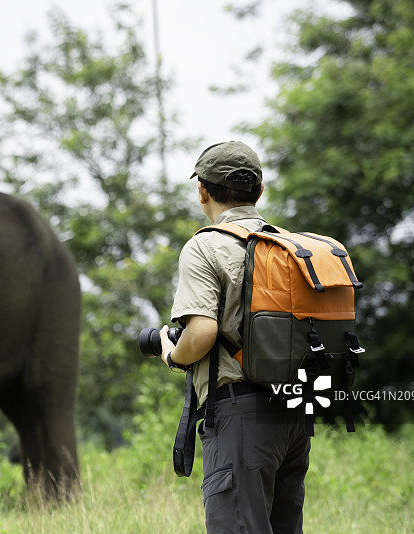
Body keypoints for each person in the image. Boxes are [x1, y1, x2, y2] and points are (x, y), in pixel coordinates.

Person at [159, 141, 310, 533]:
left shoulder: (206, 245)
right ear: (259, 192)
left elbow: (203, 332)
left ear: (202, 191)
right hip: (294, 414)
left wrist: (174, 355)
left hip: (240, 415)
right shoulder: (290, 247)